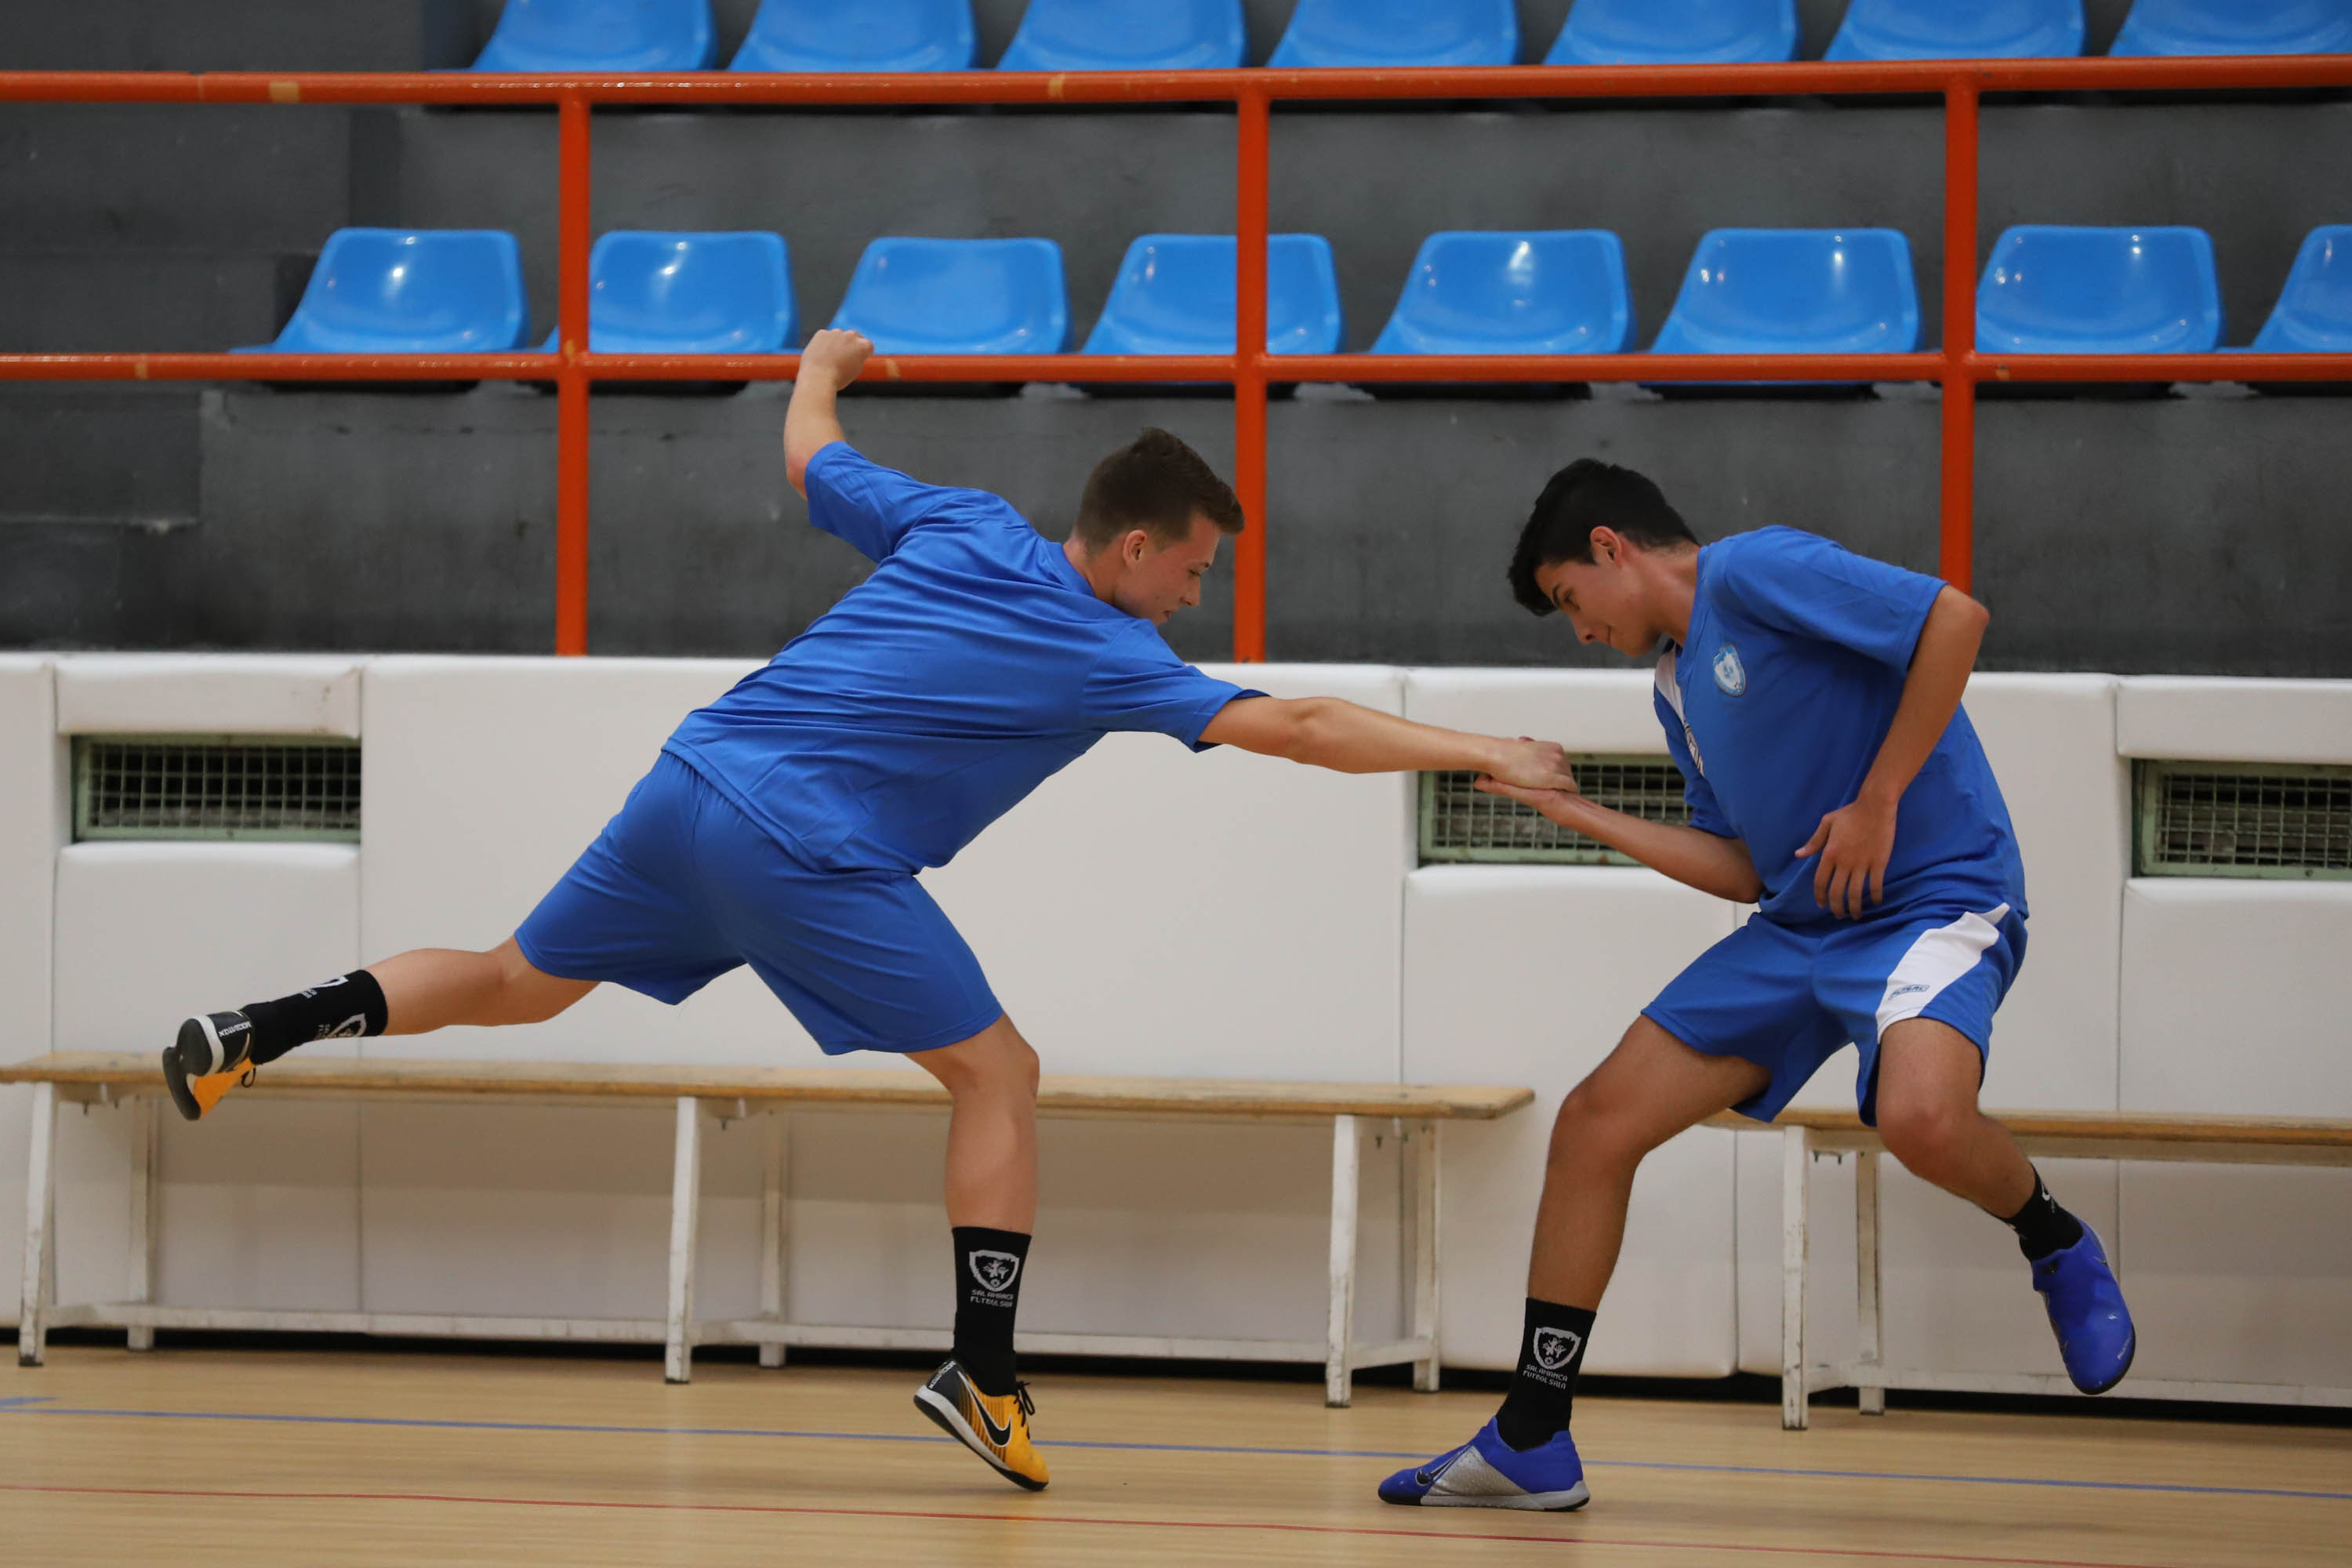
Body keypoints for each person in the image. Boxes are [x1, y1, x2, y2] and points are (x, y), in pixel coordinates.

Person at [162, 328, 1584, 1494]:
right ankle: (986, 1367)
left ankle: (253, 1027)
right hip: (806, 842)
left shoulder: (963, 522)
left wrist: (823, 368)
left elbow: (811, 462)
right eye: (1196, 570)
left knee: (514, 977)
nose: (1198, 597)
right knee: (1000, 1074)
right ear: (1138, 547)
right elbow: (1307, 727)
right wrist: (1485, 751)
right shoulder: (1110, 645)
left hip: (692, 777)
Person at [1380, 459, 2134, 1513]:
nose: (1580, 629)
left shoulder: (1758, 570)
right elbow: (1738, 865)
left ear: (1613, 548)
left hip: (1934, 899)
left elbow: (1955, 620)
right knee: (1596, 1123)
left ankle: (2052, 1235)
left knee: (1921, 1119)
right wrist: (1581, 818)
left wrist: (1878, 799)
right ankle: (1531, 1437)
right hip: (1799, 924)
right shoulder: (1676, 687)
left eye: (1570, 602)